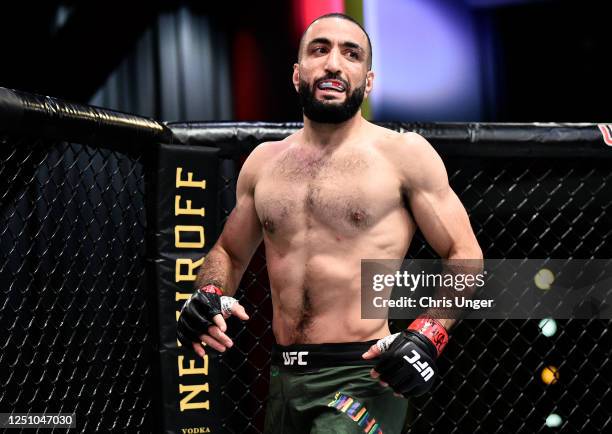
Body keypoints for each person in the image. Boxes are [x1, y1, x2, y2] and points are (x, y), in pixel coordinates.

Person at [177, 12, 482, 434]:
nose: (334, 63)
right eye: (320, 50)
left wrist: (428, 334)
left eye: (350, 53)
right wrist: (208, 292)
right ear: (298, 74)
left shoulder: (403, 155)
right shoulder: (263, 164)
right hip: (284, 379)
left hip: (363, 379)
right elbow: (228, 251)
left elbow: (465, 255)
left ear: (368, 80)